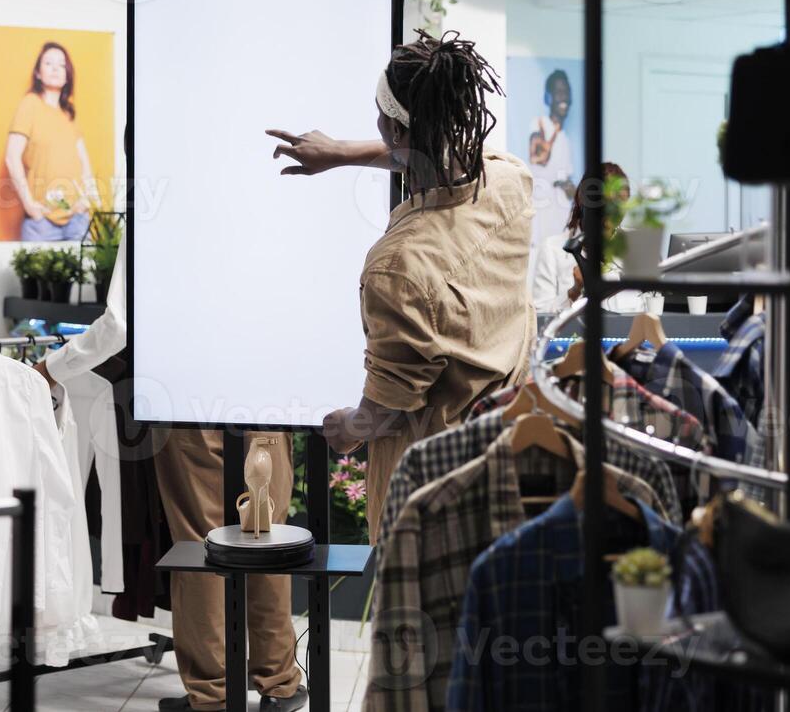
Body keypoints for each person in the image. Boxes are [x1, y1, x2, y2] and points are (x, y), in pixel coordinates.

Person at [36, 130, 305, 712]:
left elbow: (118, 326)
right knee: (265, 538)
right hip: (269, 396)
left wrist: (55, 365)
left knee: (205, 545)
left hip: (191, 403)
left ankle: (212, 694)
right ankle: (280, 684)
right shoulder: (254, 204)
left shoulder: (159, 213)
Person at [269, 30, 535, 540]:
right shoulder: (509, 182)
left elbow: (388, 409)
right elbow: (429, 153)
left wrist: (347, 430)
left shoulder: (397, 267)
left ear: (392, 126)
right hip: (509, 459)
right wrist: (343, 152)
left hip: (428, 499)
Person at [5, 42, 99, 241]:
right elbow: (12, 157)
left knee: (86, 272)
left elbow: (85, 165)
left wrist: (86, 200)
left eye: (61, 65)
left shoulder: (69, 113)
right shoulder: (30, 104)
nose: (56, 68)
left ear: (68, 75)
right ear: (38, 73)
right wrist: (30, 205)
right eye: (48, 63)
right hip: (41, 223)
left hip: (77, 220)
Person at [531, 162, 644, 315]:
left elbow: (654, 306)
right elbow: (540, 316)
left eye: (621, 202)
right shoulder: (553, 249)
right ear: (583, 199)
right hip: (576, 338)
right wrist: (575, 290)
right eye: (607, 201)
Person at [527, 69, 575, 274]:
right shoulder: (539, 124)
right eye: (558, 91)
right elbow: (539, 158)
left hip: (561, 221)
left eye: (566, 91)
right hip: (541, 220)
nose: (563, 97)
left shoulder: (565, 137)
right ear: (548, 97)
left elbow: (566, 182)